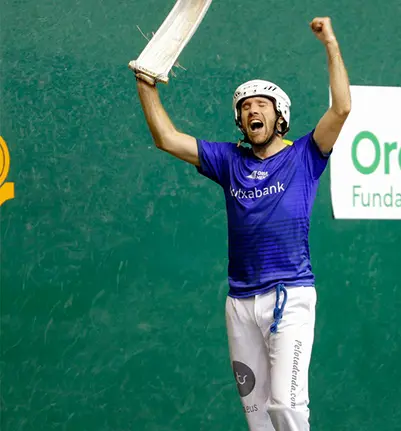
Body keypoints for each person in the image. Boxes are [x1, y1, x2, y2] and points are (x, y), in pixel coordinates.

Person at [132, 16, 351, 431]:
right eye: (245, 106)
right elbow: (167, 138)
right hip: (240, 304)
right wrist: (146, 85)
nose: (252, 110)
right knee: (258, 420)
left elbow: (341, 109)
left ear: (280, 117)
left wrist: (330, 43)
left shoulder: (305, 155)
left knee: (286, 407)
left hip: (290, 296)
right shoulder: (229, 160)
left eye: (261, 104)